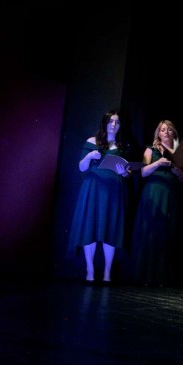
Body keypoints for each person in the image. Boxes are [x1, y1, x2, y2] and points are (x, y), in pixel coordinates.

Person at [68, 109, 135, 284]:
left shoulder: (122, 146)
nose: (114, 125)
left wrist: (124, 172)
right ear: (104, 123)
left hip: (114, 190)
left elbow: (127, 173)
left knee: (110, 229)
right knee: (90, 226)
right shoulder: (92, 141)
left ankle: (107, 271)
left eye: (117, 122)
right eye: (111, 121)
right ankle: (89, 269)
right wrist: (90, 156)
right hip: (94, 189)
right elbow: (81, 167)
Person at [128, 119, 183, 287]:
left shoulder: (181, 152)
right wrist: (158, 163)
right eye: (163, 130)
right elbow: (143, 172)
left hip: (171, 195)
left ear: (174, 133)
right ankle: (145, 276)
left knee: (167, 233)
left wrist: (177, 172)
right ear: (158, 133)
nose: (166, 132)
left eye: (169, 129)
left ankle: (164, 277)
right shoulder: (151, 150)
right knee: (151, 232)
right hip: (153, 193)